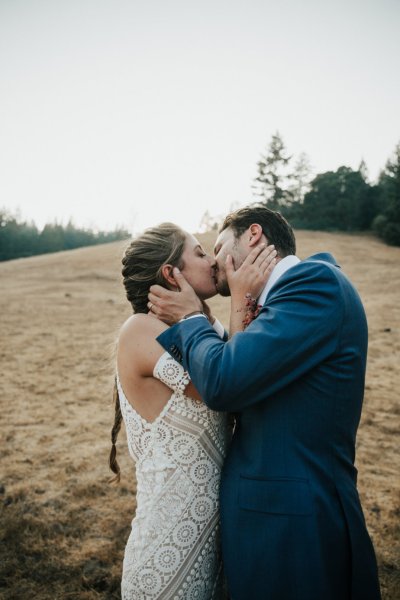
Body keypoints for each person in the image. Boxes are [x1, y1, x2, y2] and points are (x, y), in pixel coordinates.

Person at [148, 206, 382, 600]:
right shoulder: (279, 304)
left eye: (219, 247)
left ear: (253, 235)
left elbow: (225, 382)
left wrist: (190, 319)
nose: (215, 263)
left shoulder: (315, 284)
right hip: (274, 525)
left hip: (295, 531)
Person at [109, 222, 276, 600]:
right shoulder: (140, 330)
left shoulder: (198, 328)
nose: (214, 261)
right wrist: (239, 297)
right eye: (200, 253)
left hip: (213, 549)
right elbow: (226, 388)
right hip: (165, 557)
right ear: (171, 273)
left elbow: (236, 367)